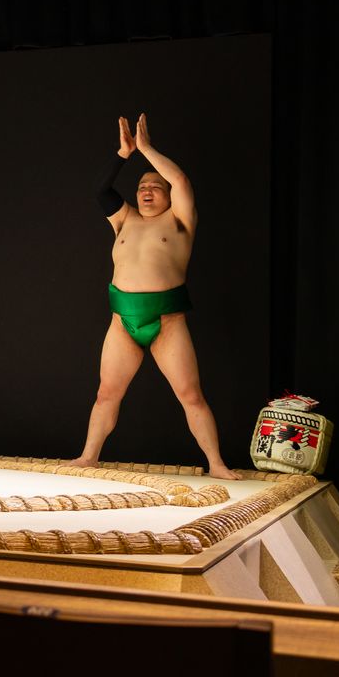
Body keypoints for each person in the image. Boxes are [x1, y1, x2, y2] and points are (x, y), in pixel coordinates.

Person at [70, 114, 239, 480]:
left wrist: (146, 150)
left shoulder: (180, 221)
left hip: (166, 321)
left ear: (169, 197)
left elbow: (180, 179)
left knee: (190, 396)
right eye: (142, 186)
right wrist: (122, 154)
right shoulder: (124, 219)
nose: (147, 190)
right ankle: (88, 456)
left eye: (155, 187)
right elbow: (101, 190)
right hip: (122, 322)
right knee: (106, 394)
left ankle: (217, 464)